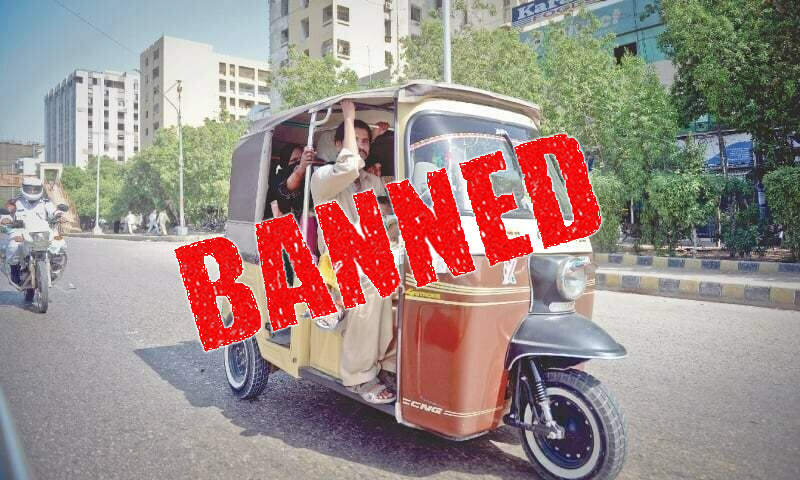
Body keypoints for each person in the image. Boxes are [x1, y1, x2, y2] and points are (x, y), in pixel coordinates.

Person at [310, 100, 395, 404]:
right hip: (337, 261)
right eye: (354, 140)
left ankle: (387, 363)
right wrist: (349, 116)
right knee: (369, 284)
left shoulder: (370, 181)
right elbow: (347, 166)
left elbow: (390, 211)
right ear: (339, 144)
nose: (361, 146)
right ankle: (358, 376)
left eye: (365, 142)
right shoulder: (323, 178)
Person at [4, 177, 64, 286]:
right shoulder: (15, 202)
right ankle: (14, 270)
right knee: (13, 246)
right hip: (21, 230)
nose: (32, 191)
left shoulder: (45, 202)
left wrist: (58, 214)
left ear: (40, 189)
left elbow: (54, 211)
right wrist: (5, 219)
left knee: (59, 243)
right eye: (29, 189)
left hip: (42, 230)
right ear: (23, 188)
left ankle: (54, 268)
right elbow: (7, 214)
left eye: (35, 189)